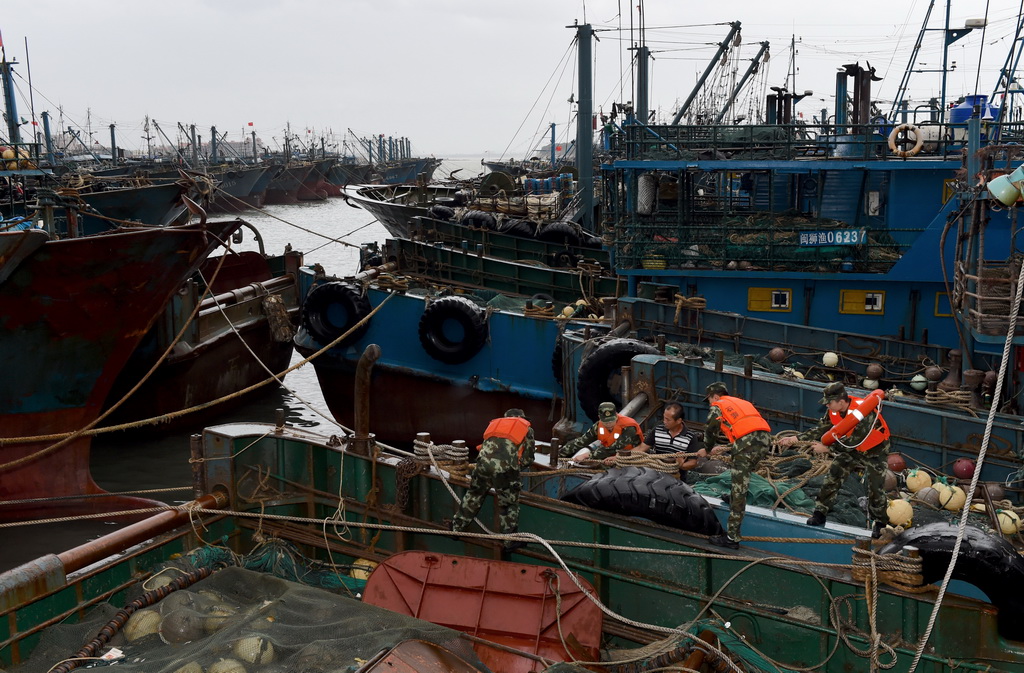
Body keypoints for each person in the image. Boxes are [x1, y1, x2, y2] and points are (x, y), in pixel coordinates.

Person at [778, 381, 890, 538]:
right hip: (850, 446)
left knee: (875, 488)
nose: (827, 406)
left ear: (841, 401)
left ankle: (880, 524)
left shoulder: (864, 414)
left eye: (829, 403)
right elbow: (821, 429)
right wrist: (796, 438)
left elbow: (853, 443)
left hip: (874, 450)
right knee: (833, 475)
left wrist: (828, 448)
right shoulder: (834, 411)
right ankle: (820, 513)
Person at [451, 408, 536, 549]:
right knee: (508, 504)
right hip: (505, 469)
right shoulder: (526, 429)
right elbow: (528, 459)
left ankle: (456, 528)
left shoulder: (495, 425)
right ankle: (509, 541)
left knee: (475, 494)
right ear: (522, 418)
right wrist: (517, 467)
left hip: (482, 465)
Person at [703, 382, 773, 549]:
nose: (710, 403)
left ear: (715, 396)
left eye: (709, 399)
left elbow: (711, 429)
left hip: (746, 443)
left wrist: (707, 449)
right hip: (765, 441)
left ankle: (732, 537)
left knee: (739, 488)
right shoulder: (742, 402)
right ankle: (734, 497)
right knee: (740, 478)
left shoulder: (718, 405)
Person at [635, 401, 706, 480]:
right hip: (656, 476)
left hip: (677, 480)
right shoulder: (657, 430)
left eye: (668, 420)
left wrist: (681, 465)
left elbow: (693, 462)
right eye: (664, 418)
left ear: (679, 420)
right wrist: (623, 456)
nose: (664, 421)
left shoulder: (690, 437)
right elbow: (641, 448)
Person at [558, 401, 643, 466]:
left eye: (611, 421)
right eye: (606, 422)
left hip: (629, 459)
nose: (609, 424)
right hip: (607, 457)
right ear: (599, 418)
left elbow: (613, 448)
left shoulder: (629, 427)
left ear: (616, 416)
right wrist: (560, 453)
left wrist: (587, 456)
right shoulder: (598, 426)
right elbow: (582, 441)